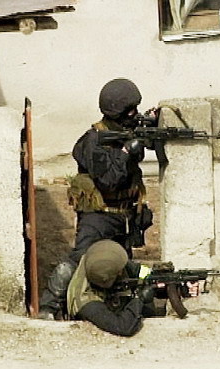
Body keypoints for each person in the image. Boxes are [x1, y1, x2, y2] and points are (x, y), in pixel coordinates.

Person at [38, 78, 153, 320]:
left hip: (124, 214)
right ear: (117, 112)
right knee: (81, 257)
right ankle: (49, 306)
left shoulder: (124, 133)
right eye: (130, 110)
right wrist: (125, 152)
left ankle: (117, 307)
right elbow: (108, 179)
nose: (135, 114)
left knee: (120, 263)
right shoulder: (93, 141)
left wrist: (150, 130)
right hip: (98, 216)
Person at [67, 239, 157, 336]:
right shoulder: (88, 304)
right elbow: (123, 327)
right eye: (118, 272)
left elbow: (135, 269)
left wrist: (153, 275)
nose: (121, 272)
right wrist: (139, 299)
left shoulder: (96, 259)